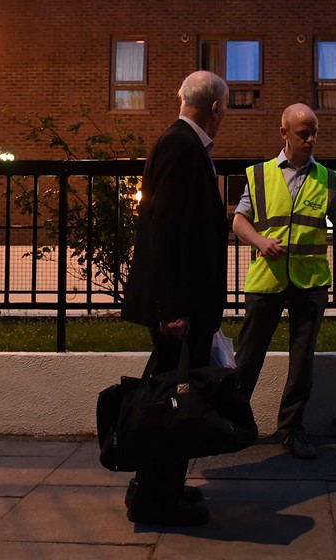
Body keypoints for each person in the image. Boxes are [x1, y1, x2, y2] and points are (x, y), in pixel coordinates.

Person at [121, 70, 230, 527]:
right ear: (217, 108)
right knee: (170, 401)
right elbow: (165, 231)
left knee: (172, 396)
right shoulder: (181, 147)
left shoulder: (181, 144)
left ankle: (159, 486)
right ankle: (153, 499)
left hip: (182, 305)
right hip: (178, 308)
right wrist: (171, 309)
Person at [233, 103, 336, 460]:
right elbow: (239, 221)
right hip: (267, 278)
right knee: (248, 356)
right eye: (303, 133)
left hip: (310, 281)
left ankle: (291, 429)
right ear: (284, 134)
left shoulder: (328, 177)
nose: (310, 139)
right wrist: (260, 241)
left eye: (314, 132)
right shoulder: (259, 175)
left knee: (302, 359)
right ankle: (232, 424)